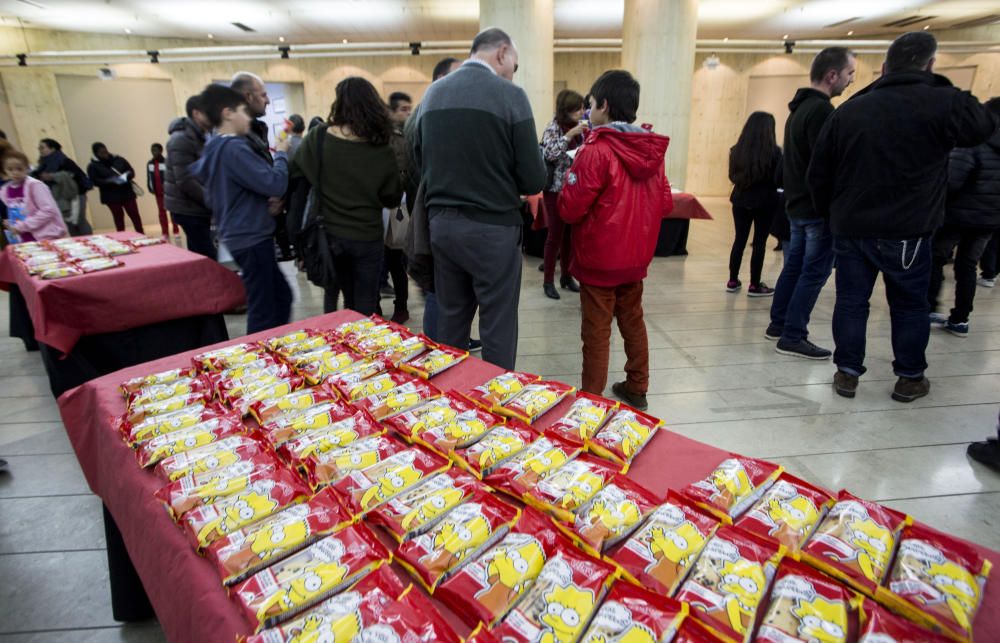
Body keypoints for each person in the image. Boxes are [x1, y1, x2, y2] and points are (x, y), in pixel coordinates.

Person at [808, 31, 998, 402]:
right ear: (929, 65)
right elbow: (983, 125)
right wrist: (933, 82)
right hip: (908, 229)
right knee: (909, 305)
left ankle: (847, 373)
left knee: (851, 302)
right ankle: (909, 377)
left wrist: (830, 215)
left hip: (852, 226)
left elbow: (819, 172)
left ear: (883, 68)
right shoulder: (942, 102)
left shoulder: (851, 109)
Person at [409, 27, 546, 369]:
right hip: (493, 229)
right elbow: (533, 179)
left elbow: (415, 157)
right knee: (497, 323)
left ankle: (451, 406)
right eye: (514, 64)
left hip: (441, 226)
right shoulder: (510, 96)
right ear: (502, 53)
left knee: (451, 320)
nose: (513, 72)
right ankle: (496, 406)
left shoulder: (433, 94)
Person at [558, 70, 672, 410]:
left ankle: (592, 400)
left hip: (600, 259)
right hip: (636, 258)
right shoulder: (651, 151)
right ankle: (637, 385)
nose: (587, 111)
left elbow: (569, 209)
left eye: (590, 104)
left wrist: (570, 177)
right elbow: (665, 203)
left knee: (596, 332)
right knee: (633, 321)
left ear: (604, 105)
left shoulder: (596, 151)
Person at [767, 47, 856, 359]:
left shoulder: (799, 109)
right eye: (849, 74)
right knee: (813, 272)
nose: (850, 81)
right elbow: (826, 165)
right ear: (832, 75)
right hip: (816, 208)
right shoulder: (821, 113)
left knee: (795, 266)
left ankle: (779, 324)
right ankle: (793, 334)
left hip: (798, 204)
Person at [290, 77, 402, 316]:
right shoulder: (382, 148)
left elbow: (296, 175)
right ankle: (362, 347)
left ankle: (339, 345)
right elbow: (391, 198)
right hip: (368, 236)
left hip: (330, 234)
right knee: (366, 303)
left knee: (339, 299)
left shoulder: (318, 138)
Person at [191, 84, 292, 334]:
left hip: (241, 234)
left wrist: (255, 206)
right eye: (243, 112)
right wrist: (281, 155)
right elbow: (274, 183)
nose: (248, 118)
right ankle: (259, 357)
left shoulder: (214, 146)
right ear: (227, 113)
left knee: (279, 297)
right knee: (264, 307)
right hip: (251, 237)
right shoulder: (233, 148)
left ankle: (272, 349)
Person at [927, 97, 1000, 337]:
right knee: (968, 266)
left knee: (937, 257)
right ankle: (961, 318)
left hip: (957, 216)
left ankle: (930, 307)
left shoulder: (972, 142)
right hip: (989, 220)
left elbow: (953, 180)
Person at [726, 111, 781, 297]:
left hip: (740, 200)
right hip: (765, 202)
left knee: (739, 239)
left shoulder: (736, 150)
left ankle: (732, 280)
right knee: (759, 243)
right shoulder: (775, 153)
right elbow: (778, 180)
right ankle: (754, 285)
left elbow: (732, 176)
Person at [540, 89, 586, 300]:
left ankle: (567, 276)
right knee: (555, 235)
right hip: (555, 189)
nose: (581, 112)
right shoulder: (554, 128)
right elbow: (550, 154)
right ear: (566, 111)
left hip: (574, 188)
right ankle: (548, 280)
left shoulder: (583, 129)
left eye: (582, 108)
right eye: (577, 109)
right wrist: (568, 136)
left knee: (571, 236)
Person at [165, 94, 215, 259]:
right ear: (197, 113)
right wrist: (212, 201)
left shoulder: (200, 136)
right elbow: (185, 180)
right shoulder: (181, 139)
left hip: (197, 207)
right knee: (208, 256)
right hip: (188, 208)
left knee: (199, 255)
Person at [382, 90, 414, 323]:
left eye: (408, 109)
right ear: (391, 111)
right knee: (382, 260)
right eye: (403, 109)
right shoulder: (381, 136)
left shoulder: (410, 133)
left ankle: (401, 306)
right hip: (382, 203)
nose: (407, 113)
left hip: (402, 202)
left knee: (397, 259)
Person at [1, 149, 68, 243]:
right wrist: (11, 223)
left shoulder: (35, 186)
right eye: (10, 169)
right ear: (5, 171)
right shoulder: (5, 190)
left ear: (27, 168)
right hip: (23, 237)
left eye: (19, 169)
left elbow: (48, 211)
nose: (15, 173)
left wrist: (22, 226)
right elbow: (16, 212)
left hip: (45, 236)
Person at [32, 138, 93, 236]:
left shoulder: (65, 161)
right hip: (60, 198)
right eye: (39, 148)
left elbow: (77, 176)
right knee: (69, 222)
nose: (40, 150)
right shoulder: (42, 164)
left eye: (42, 147)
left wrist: (53, 176)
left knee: (79, 220)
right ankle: (78, 243)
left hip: (75, 195)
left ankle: (90, 242)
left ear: (52, 149)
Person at [87, 143, 143, 233]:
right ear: (96, 154)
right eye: (101, 152)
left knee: (134, 214)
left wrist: (124, 177)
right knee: (118, 217)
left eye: (105, 151)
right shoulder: (93, 166)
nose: (104, 154)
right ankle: (121, 236)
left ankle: (141, 233)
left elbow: (131, 172)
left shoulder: (119, 159)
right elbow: (94, 181)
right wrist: (109, 181)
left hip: (127, 191)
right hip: (111, 196)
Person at [147, 142, 178, 240]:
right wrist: (150, 187)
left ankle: (176, 230)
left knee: (172, 212)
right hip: (158, 193)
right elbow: (149, 177)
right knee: (162, 213)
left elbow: (172, 176)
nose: (153, 152)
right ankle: (165, 232)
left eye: (155, 150)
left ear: (161, 151)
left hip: (169, 192)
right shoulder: (150, 163)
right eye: (152, 150)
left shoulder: (167, 162)